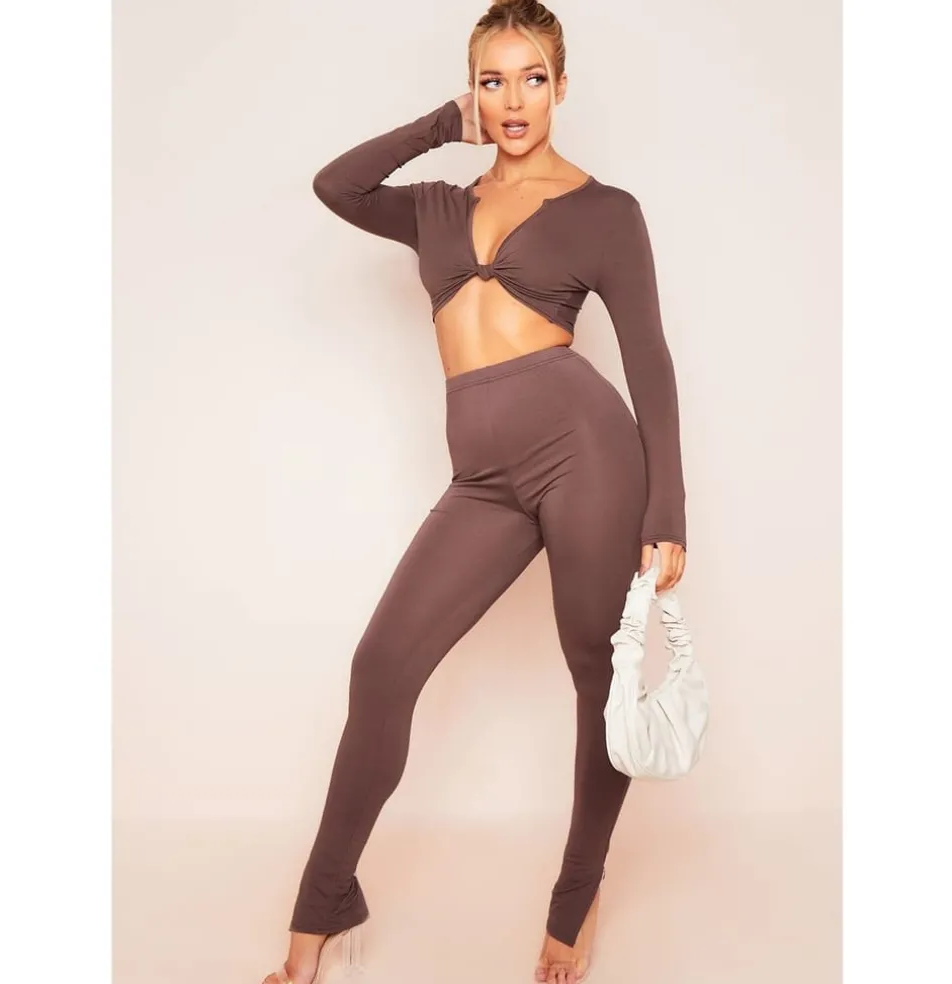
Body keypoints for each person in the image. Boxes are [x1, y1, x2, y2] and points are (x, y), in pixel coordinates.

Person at [263, 1, 687, 982]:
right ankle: (323, 906)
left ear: (562, 87)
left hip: (588, 456)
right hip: (483, 482)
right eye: (493, 81)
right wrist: (434, 127)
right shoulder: (435, 210)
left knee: (597, 678)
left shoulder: (605, 211)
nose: (514, 100)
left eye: (532, 77)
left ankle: (575, 901)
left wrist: (667, 512)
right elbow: (335, 185)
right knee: (383, 666)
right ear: (473, 93)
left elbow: (651, 362)